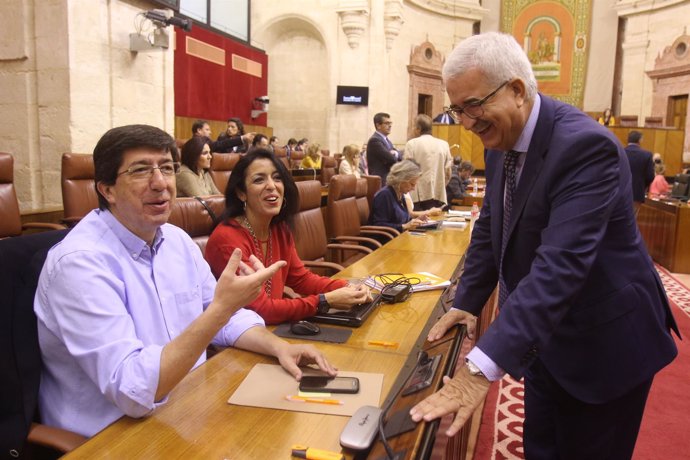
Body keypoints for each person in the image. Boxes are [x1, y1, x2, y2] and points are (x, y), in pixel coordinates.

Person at [409, 32, 678, 459]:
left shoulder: (586, 147)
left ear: (516, 90)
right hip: (545, 340)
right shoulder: (501, 141)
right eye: (456, 109)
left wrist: (479, 370)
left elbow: (561, 266)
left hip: (603, 344)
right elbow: (491, 226)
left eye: (474, 106)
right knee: (541, 448)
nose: (465, 122)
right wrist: (468, 300)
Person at [33, 125, 337, 438]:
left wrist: (280, 347)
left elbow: (226, 316)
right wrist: (221, 309)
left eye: (167, 168)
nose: (161, 183)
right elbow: (132, 389)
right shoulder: (79, 264)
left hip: (190, 408)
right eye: (140, 170)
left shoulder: (176, 241)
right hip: (113, 435)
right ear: (107, 189)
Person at [205, 149, 371, 324]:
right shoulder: (227, 239)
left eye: (277, 178)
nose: (272, 186)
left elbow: (301, 279)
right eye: (259, 180)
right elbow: (262, 310)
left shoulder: (279, 229)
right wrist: (325, 301)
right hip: (237, 341)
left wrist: (348, 287)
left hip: (271, 331)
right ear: (241, 193)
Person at [403, 114, 452, 210]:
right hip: (438, 193)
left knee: (419, 223)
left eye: (413, 126)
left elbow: (406, 171)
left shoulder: (411, 144)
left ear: (418, 129)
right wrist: (440, 185)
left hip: (417, 195)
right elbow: (448, 173)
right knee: (436, 222)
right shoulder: (444, 144)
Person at [368, 160, 427, 233]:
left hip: (399, 237)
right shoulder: (384, 195)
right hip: (385, 241)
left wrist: (416, 221)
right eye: (412, 184)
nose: (413, 188)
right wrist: (404, 226)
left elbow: (401, 221)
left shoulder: (400, 193)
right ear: (401, 179)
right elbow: (378, 225)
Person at [367, 112, 400, 185]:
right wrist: (393, 154)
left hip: (388, 179)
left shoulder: (387, 140)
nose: (390, 126)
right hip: (380, 182)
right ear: (378, 125)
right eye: (387, 123)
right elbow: (391, 159)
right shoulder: (375, 140)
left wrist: (396, 153)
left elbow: (400, 156)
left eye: (390, 123)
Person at [625, 130, 655, 204]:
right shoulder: (647, 155)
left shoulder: (620, 152)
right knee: (634, 215)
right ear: (640, 140)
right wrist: (642, 186)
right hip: (637, 193)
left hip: (620, 193)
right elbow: (650, 176)